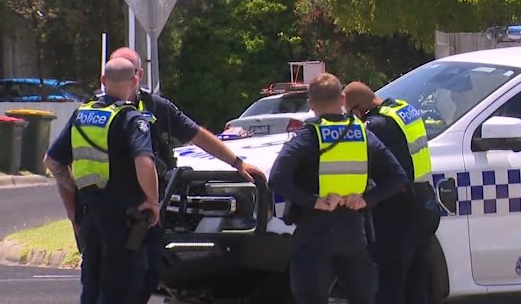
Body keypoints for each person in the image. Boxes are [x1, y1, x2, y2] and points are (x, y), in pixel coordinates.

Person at [101, 47, 265, 304]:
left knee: (147, 277)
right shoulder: (93, 113)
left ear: (138, 75)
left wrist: (237, 163)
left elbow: (197, 134)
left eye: (126, 70)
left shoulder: (157, 107)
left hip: (148, 211)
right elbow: (60, 160)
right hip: (110, 209)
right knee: (111, 284)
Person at [269, 73, 408, 304]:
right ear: (343, 99)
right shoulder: (363, 134)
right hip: (353, 233)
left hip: (314, 233)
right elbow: (397, 177)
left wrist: (314, 201)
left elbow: (277, 178)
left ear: (311, 104)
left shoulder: (308, 137)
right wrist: (365, 199)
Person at [43, 58, 160, 304]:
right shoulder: (132, 119)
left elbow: (53, 162)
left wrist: (74, 212)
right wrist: (152, 201)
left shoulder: (81, 115)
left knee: (92, 290)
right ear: (135, 80)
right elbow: (144, 163)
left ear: (103, 81)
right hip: (123, 223)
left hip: (90, 221)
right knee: (121, 291)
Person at [343, 81, 441, 304]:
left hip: (399, 212)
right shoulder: (403, 109)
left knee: (389, 284)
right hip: (424, 203)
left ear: (357, 109)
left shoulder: (376, 126)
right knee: (416, 282)